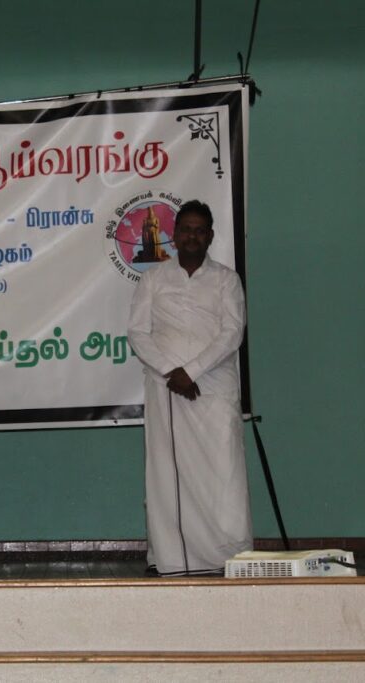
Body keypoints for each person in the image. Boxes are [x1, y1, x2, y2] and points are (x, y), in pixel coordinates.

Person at [127, 199, 252, 575]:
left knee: (224, 474)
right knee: (167, 474)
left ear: (210, 236)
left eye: (200, 231)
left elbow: (232, 333)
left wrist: (193, 372)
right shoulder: (153, 279)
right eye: (185, 230)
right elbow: (137, 333)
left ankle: (229, 557)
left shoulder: (226, 280)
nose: (192, 237)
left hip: (213, 388)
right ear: (174, 235)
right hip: (166, 387)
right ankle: (169, 559)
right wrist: (173, 372)